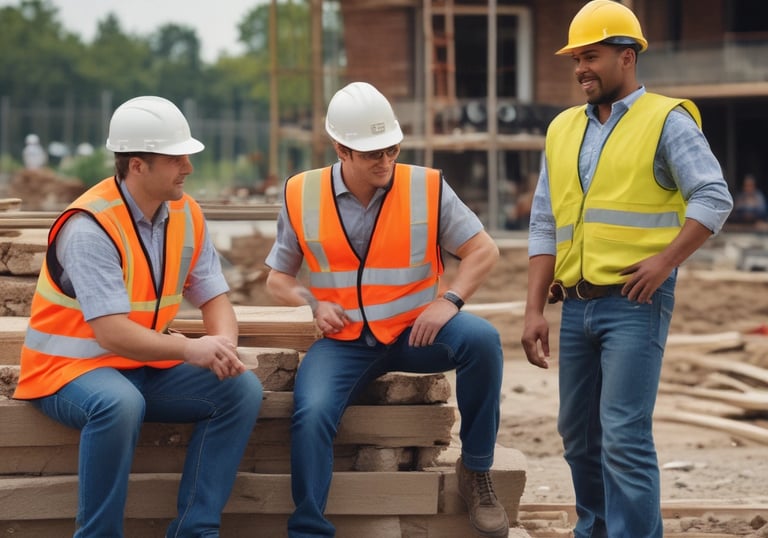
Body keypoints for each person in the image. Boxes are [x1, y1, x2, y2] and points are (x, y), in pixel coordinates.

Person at [520, 2, 733, 537]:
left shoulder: (667, 120)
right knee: (578, 434)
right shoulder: (563, 128)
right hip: (577, 306)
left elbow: (712, 196)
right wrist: (532, 309)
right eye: (576, 59)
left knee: (623, 434)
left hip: (636, 303)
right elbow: (545, 221)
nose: (580, 69)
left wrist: (665, 262)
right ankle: (593, 530)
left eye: (590, 56)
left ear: (627, 56)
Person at [265, 81, 509, 538]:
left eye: (392, 148)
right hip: (344, 344)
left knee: (483, 341)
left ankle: (477, 471)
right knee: (312, 411)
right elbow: (278, 278)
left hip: (417, 333)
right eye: (373, 152)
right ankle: (309, 528)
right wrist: (312, 302)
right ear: (341, 149)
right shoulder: (300, 193)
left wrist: (448, 301)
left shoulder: (427, 186)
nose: (385, 160)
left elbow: (483, 251)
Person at [13, 96, 263, 538]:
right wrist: (192, 348)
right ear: (137, 165)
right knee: (119, 403)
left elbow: (215, 296)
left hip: (142, 365)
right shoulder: (91, 227)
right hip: (68, 372)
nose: (187, 166)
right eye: (175, 158)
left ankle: (195, 529)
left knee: (240, 388)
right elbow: (111, 333)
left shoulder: (186, 212)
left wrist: (223, 347)